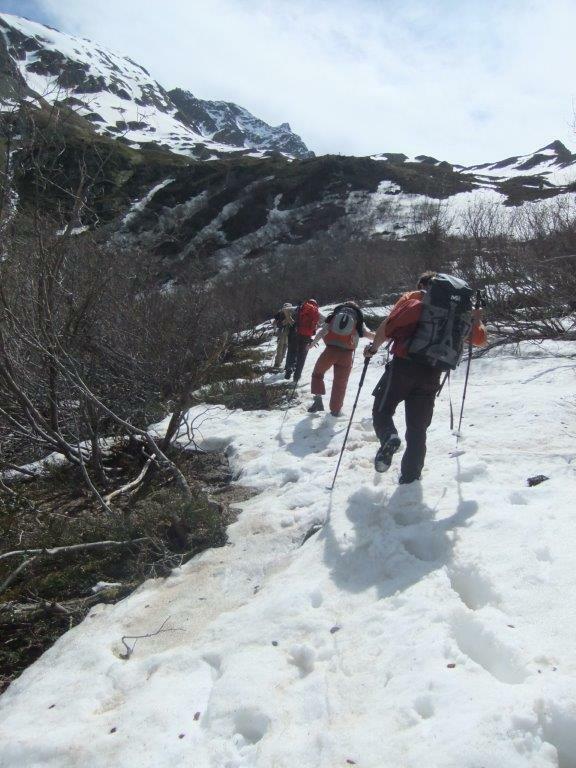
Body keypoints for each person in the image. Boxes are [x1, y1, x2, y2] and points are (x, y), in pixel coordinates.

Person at [364, 272, 487, 483]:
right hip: (432, 374)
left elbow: (389, 326)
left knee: (382, 410)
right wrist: (477, 318)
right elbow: (480, 339)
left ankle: (389, 436)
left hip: (403, 367)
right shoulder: (459, 312)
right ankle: (410, 478)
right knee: (418, 429)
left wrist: (373, 348)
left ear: (426, 286)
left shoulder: (415, 300)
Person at [307, 301, 374, 416]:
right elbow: (366, 334)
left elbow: (323, 331)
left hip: (330, 351)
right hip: (347, 355)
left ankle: (318, 400)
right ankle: (335, 410)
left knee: (317, 374)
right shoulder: (357, 318)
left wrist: (312, 344)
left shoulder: (335, 315)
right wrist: (383, 338)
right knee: (340, 382)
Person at [285, 299, 320, 382]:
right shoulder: (316, 312)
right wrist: (314, 328)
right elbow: (325, 320)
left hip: (296, 333)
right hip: (306, 337)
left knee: (292, 351)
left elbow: (285, 310)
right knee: (302, 357)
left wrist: (291, 321)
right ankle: (296, 377)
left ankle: (289, 368)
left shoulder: (300, 308)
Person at [272, 303, 295, 370]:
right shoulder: (290, 313)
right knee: (284, 347)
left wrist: (274, 330)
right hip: (288, 333)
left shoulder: (281, 313)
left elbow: (274, 323)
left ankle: (277, 363)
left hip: (281, 332)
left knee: (280, 348)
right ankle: (278, 363)